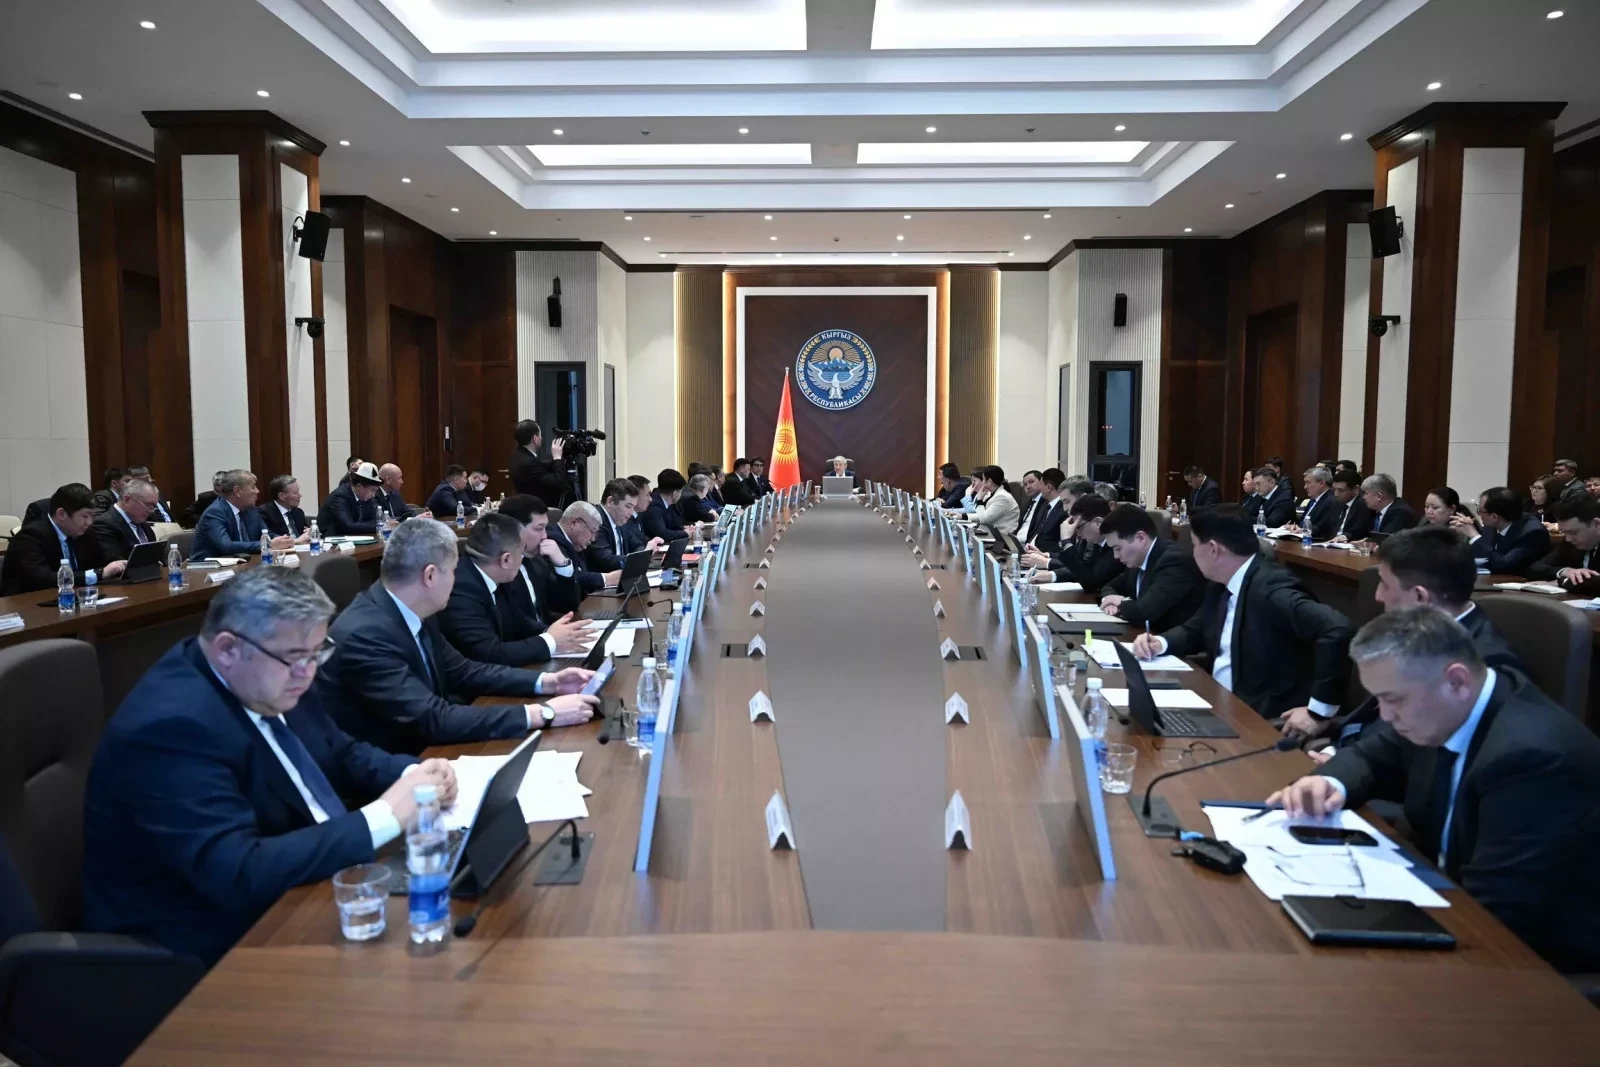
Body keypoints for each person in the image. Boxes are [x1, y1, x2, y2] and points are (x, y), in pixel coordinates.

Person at [81, 568, 456, 967]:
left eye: (317, 653)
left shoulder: (273, 668)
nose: (308, 672)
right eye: (297, 658)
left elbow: (340, 752)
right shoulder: (170, 728)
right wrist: (384, 816)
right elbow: (238, 871)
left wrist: (414, 775)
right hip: (207, 945)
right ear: (227, 649)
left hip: (303, 886)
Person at [1267, 606, 1600, 975]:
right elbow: (1371, 755)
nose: (1385, 715)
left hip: (1531, 967)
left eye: (1393, 699)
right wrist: (1328, 783)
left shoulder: (1533, 759)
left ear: (1456, 681)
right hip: (1449, 906)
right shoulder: (1444, 708)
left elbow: (1494, 919)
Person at [312, 518, 598, 755]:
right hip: (394, 766)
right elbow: (431, 718)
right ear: (430, 576)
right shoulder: (366, 634)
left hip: (427, 748)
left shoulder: (413, 609)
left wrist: (549, 682)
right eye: (452, 570)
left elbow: (463, 670)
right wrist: (543, 713)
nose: (457, 578)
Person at [1132, 506, 1350, 722]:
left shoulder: (1272, 590)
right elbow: (1196, 629)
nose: (1192, 553)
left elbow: (1337, 629)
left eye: (1195, 545)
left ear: (1214, 549)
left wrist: (1318, 711)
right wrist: (1160, 643)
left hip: (1255, 718)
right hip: (1213, 699)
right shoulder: (1221, 582)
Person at [1314, 527, 1526, 742]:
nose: (1378, 596)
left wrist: (1341, 756)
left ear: (1419, 597)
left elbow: (1419, 748)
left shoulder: (1482, 668)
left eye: (1385, 584)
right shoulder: (1421, 630)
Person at [439, 513, 588, 666]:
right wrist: (549, 641)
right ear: (506, 560)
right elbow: (489, 653)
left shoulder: (492, 575)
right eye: (521, 553)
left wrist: (554, 632)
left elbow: (518, 621)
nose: (522, 560)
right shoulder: (460, 590)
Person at [0, 482, 125, 595]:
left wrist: (118, 566)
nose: (89, 522)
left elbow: (101, 561)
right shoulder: (29, 537)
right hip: (29, 603)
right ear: (61, 514)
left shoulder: (84, 532)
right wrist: (98, 574)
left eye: (92, 516)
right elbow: (43, 579)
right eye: (85, 516)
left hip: (74, 598)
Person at [1098, 504, 1206, 632]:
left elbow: (1143, 614)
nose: (1116, 556)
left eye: (1118, 548)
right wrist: (1109, 601)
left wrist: (1121, 602)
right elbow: (1108, 587)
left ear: (1140, 539)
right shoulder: (1137, 559)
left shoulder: (1174, 561)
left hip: (1170, 640)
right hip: (1143, 636)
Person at [498, 494, 583, 624]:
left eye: (545, 528)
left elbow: (567, 606)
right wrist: (549, 633)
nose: (544, 536)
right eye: (539, 528)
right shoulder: (500, 569)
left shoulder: (538, 561)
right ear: (515, 530)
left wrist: (562, 565)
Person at [1029, 496, 1124, 592]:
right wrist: (1052, 575)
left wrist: (1066, 542)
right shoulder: (1097, 543)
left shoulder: (1117, 545)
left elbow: (1091, 582)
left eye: (1078, 527)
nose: (1077, 534)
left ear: (1098, 523)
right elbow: (1083, 570)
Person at [193, 470, 292, 560]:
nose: (257, 491)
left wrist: (283, 540)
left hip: (245, 563)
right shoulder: (214, 512)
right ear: (238, 491)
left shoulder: (250, 509)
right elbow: (226, 546)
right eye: (253, 487)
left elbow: (266, 534)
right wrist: (267, 544)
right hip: (207, 569)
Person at [1455, 486, 1549, 577]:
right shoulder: (1491, 527)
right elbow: (1482, 554)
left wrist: (1474, 535)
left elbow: (1503, 565)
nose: (1478, 514)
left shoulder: (1532, 533)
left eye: (1480, 510)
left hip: (1519, 582)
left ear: (1494, 516)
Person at [546, 500, 622, 595]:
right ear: (574, 523)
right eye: (592, 531)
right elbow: (572, 575)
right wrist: (607, 578)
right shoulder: (552, 539)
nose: (593, 539)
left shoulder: (576, 543)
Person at [1529, 495, 1600, 596]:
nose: (1568, 539)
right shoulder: (1570, 543)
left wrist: (1561, 582)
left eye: (1574, 532)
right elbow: (1535, 568)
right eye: (1564, 533)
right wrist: (1565, 571)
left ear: (1596, 524)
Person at [589, 478, 663, 572]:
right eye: (628, 506)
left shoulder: (620, 520)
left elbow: (638, 545)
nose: (631, 512)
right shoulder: (596, 521)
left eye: (633, 507)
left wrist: (644, 553)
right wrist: (642, 555)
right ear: (610, 501)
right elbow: (607, 559)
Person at [89, 477, 160, 565]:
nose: (151, 511)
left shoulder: (142, 523)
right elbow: (116, 563)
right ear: (127, 500)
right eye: (148, 505)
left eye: (153, 506)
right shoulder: (104, 524)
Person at [509, 420, 571, 506]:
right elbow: (559, 484)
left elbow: (540, 466)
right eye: (540, 435)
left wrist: (558, 462)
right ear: (535, 438)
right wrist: (557, 458)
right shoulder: (529, 463)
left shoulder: (518, 456)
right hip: (536, 508)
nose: (541, 438)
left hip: (524, 505)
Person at [317, 461, 383, 536]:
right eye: (372, 490)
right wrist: (380, 526)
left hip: (355, 538)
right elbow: (349, 526)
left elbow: (375, 519)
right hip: (331, 539)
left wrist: (381, 523)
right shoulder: (339, 497)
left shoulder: (366, 498)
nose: (373, 495)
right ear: (359, 486)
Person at [1288, 466, 1341, 541]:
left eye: (1308, 483)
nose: (1305, 487)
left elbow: (1323, 528)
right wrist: (1294, 527)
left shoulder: (1331, 502)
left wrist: (1303, 530)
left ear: (1321, 483)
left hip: (1316, 541)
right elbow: (1303, 523)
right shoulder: (1313, 499)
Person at [640, 468, 690, 543]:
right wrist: (685, 533)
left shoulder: (668, 505)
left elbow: (675, 525)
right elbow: (663, 534)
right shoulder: (654, 507)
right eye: (680, 492)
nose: (681, 495)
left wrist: (685, 528)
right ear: (675, 494)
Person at [259, 475, 310, 539]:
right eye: (295, 493)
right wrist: (295, 541)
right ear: (281, 496)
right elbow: (268, 537)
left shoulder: (298, 512)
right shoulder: (264, 513)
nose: (300, 495)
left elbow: (304, 533)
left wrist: (309, 532)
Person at [1328, 468, 1372, 541]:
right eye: (1334, 489)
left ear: (1356, 489)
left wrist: (1344, 537)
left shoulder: (1364, 505)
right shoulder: (1336, 503)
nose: (1336, 494)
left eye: (1341, 490)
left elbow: (1358, 531)